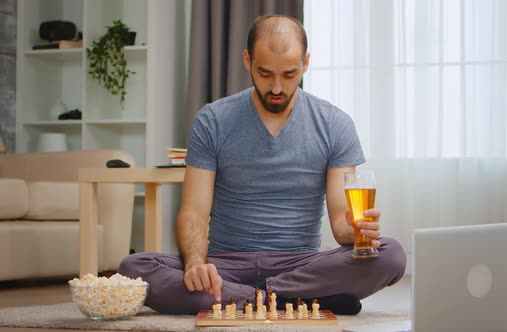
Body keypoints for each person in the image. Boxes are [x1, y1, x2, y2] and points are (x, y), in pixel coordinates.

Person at [118, 14, 406, 315]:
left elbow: (340, 224)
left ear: (306, 63)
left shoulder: (335, 124)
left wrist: (358, 230)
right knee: (133, 268)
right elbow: (193, 212)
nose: (277, 88)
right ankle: (299, 301)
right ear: (247, 60)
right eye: (265, 73)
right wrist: (196, 266)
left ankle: (253, 298)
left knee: (391, 254)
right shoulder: (213, 120)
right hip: (226, 265)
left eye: (290, 74)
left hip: (300, 266)